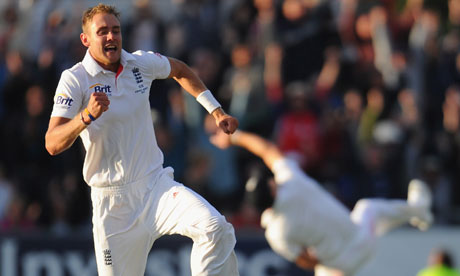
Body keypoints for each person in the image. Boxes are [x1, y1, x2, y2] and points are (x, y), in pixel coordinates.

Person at [45, 4, 239, 276]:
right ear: (85, 39)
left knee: (214, 226)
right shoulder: (74, 78)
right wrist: (86, 116)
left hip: (154, 186)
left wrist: (216, 110)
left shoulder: (139, 62)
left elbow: (180, 70)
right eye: (102, 32)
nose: (111, 37)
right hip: (112, 206)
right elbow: (52, 143)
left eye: (116, 30)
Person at [210, 129, 433, 276]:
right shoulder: (290, 180)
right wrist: (234, 137)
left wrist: (326, 263)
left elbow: (304, 260)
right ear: (271, 189)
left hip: (339, 266)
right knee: (367, 207)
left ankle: (417, 214)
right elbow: (268, 150)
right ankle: (419, 211)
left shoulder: (275, 232)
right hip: (361, 239)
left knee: (322, 269)